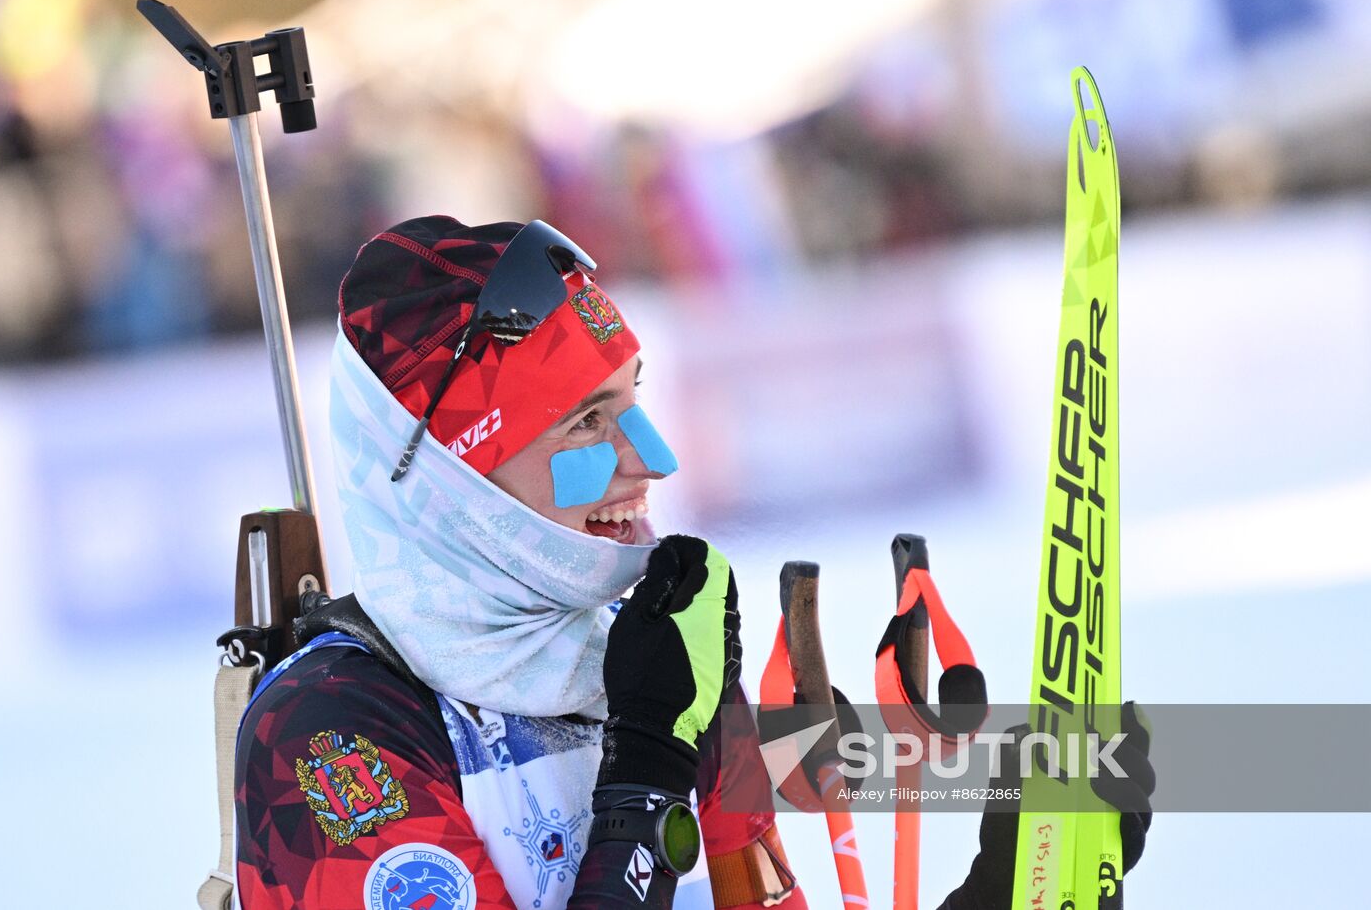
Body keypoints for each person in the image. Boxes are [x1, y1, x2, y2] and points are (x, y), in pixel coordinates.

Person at [232, 215, 1154, 910]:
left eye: (632, 403)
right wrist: (646, 768)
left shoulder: (643, 665)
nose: (650, 457)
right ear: (450, 475)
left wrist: (1001, 890)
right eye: (586, 421)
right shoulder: (327, 739)